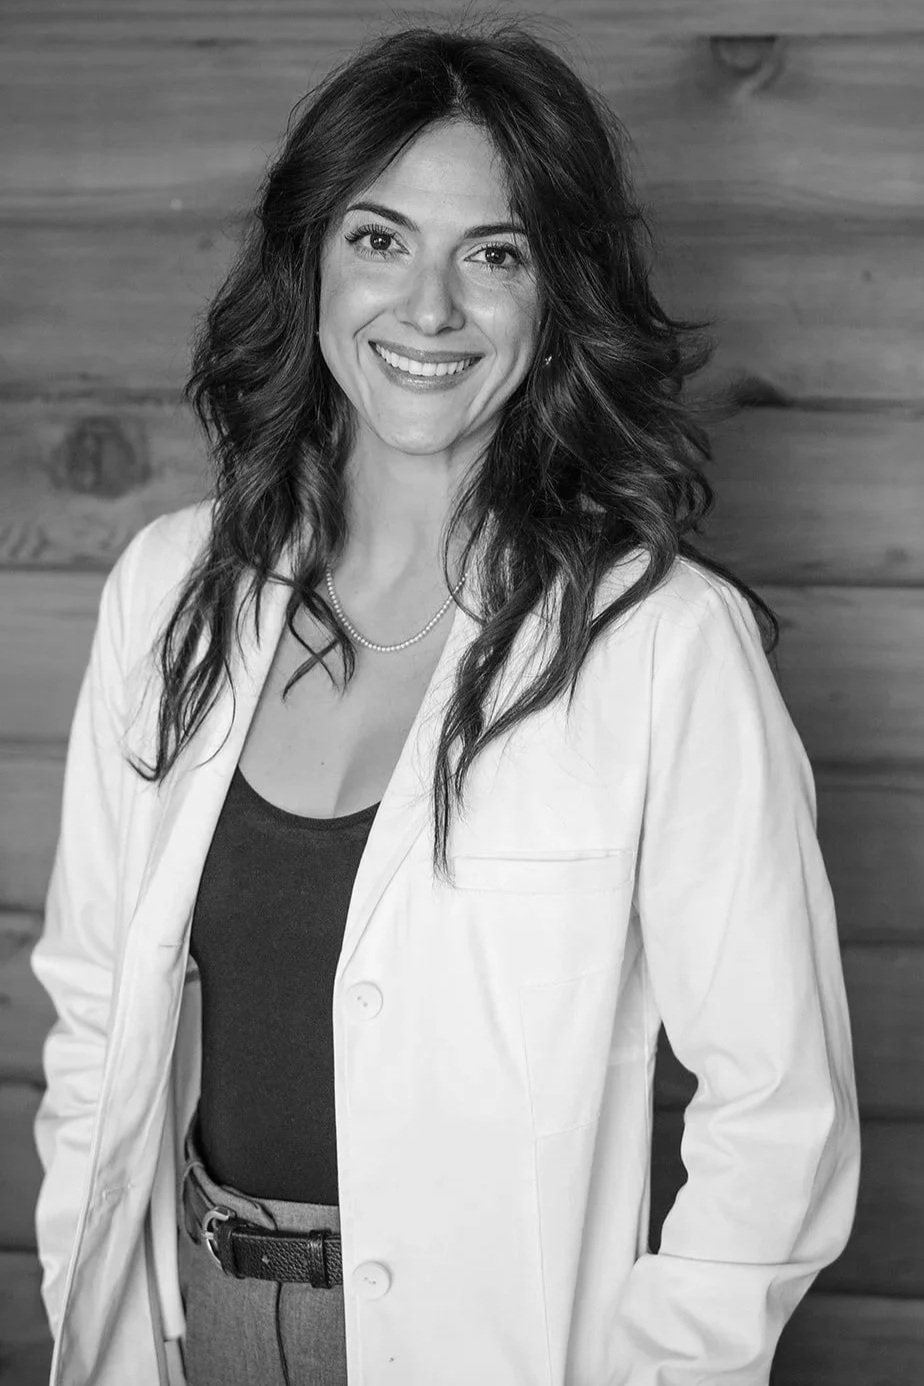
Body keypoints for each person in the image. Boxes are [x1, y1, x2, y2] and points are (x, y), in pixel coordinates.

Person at [31, 17, 860, 1386]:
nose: (429, 309)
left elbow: (781, 1109)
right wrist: (98, 1299)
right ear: (309, 262)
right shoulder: (170, 588)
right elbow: (94, 1007)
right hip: (192, 1324)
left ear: (555, 294)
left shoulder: (663, 644)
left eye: (493, 254)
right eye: (380, 239)